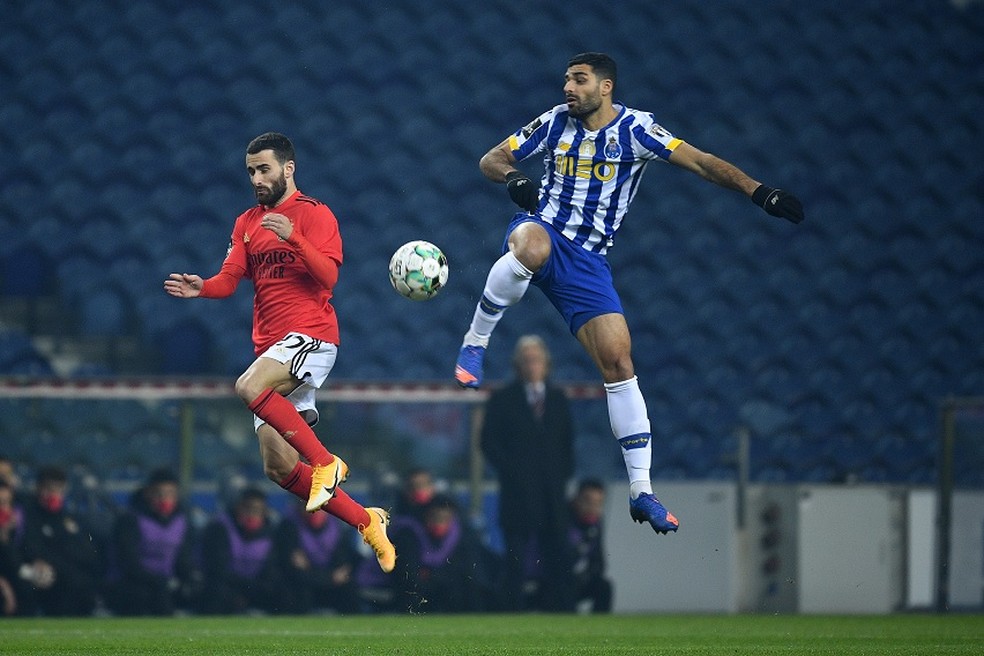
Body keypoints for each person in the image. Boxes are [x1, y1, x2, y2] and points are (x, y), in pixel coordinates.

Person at [455, 52, 805, 534]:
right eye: (565, 80)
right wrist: (515, 178)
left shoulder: (637, 130)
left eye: (578, 80)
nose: (567, 89)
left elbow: (701, 163)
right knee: (530, 245)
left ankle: (642, 491)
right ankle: (476, 342)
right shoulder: (554, 122)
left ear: (606, 87)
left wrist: (757, 191)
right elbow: (491, 158)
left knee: (620, 364)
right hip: (544, 231)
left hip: (589, 264)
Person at [164, 132, 395, 573]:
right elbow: (230, 279)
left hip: (312, 334)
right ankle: (367, 521)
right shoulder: (246, 222)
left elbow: (327, 278)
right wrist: (203, 288)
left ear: (288, 168)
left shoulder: (314, 214)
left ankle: (327, 462)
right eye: (250, 170)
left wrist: (294, 238)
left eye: (264, 168)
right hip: (272, 347)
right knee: (278, 466)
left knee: (248, 385)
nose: (256, 178)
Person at [480, 335, 575, 612]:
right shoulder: (502, 399)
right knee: (516, 559)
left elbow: (567, 444)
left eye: (537, 360)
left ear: (547, 364)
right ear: (517, 365)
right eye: (527, 361)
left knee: (557, 556)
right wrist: (513, 472)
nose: (532, 365)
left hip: (552, 495)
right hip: (517, 494)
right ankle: (512, 612)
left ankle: (561, 611)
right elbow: (488, 443)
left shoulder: (558, 399)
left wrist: (561, 476)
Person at [105, 469, 201, 616]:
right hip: (133, 584)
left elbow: (184, 559)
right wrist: (158, 582)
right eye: (158, 493)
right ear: (147, 493)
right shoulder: (130, 520)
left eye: (170, 493)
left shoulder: (182, 522)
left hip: (166, 583)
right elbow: (129, 562)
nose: (164, 499)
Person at [18, 466, 100, 616]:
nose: (54, 494)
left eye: (59, 489)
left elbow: (88, 551)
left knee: (83, 581)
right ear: (38, 488)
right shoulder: (28, 516)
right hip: (43, 572)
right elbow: (31, 547)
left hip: (74, 574)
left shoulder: (70, 518)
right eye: (49, 489)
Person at [390, 494, 492, 613]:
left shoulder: (462, 537)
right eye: (435, 518)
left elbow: (470, 572)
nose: (439, 523)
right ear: (426, 516)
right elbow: (407, 573)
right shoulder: (410, 535)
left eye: (444, 519)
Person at [199, 487, 286, 614]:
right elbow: (217, 569)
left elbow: (272, 570)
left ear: (265, 512)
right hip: (227, 587)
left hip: (256, 588)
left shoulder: (272, 534)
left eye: (257, 510)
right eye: (247, 509)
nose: (251, 514)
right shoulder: (220, 528)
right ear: (238, 509)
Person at [274, 499, 361, 614]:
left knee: (350, 590)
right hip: (305, 586)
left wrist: (316, 574)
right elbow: (293, 569)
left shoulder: (338, 526)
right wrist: (329, 578)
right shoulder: (289, 527)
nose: (315, 511)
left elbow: (343, 566)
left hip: (330, 584)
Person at [567, 479, 613, 613]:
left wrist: (589, 574)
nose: (592, 508)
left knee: (604, 587)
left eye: (598, 503)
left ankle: (601, 629)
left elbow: (598, 558)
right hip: (557, 583)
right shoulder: (563, 521)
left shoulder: (596, 524)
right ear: (577, 500)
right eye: (588, 501)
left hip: (579, 579)